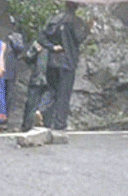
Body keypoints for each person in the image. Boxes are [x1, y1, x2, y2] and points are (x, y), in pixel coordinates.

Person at [39, 1, 93, 130]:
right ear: (76, 6)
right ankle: (60, 124)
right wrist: (87, 28)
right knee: (64, 94)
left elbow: (42, 37)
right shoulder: (76, 21)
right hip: (67, 62)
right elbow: (79, 38)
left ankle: (40, 111)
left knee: (51, 90)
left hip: (52, 61)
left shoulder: (53, 19)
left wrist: (52, 47)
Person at [21, 40, 53, 130]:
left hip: (49, 78)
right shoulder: (38, 43)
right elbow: (28, 58)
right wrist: (35, 51)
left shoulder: (55, 44)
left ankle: (43, 122)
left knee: (49, 100)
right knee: (31, 103)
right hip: (38, 77)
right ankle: (27, 126)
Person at [3, 29, 26, 125]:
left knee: (8, 97)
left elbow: (19, 47)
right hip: (0, 71)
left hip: (9, 72)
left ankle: (3, 120)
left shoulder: (14, 37)